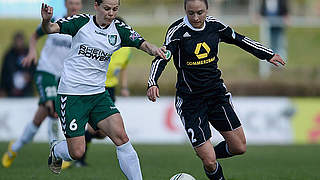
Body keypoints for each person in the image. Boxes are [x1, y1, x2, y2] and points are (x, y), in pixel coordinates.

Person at [147, 0, 285, 179]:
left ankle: (206, 153)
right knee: (210, 162)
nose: (196, 17)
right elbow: (161, 57)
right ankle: (208, 158)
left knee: (239, 147)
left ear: (207, 9)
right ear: (185, 11)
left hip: (216, 95)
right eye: (191, 13)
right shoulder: (177, 31)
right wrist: (152, 82)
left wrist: (268, 54)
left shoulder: (215, 26)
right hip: (191, 101)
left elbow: (241, 40)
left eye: (200, 12)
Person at [41, 0, 165, 179]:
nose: (111, 13)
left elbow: (143, 44)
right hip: (72, 94)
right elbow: (50, 29)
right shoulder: (81, 22)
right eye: (107, 8)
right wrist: (46, 21)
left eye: (115, 9)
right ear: (96, 6)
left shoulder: (119, 30)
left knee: (121, 138)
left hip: (98, 95)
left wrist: (155, 50)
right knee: (77, 152)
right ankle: (56, 149)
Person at [1, 0, 82, 168]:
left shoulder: (82, 28)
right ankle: (56, 150)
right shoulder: (56, 21)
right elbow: (35, 35)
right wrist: (32, 51)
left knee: (39, 118)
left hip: (63, 77)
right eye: (72, 3)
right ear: (66, 4)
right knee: (53, 109)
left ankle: (14, 147)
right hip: (45, 71)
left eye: (78, 3)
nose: (74, 7)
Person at [75, 44, 132, 167]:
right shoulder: (103, 42)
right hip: (96, 87)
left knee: (101, 133)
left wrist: (124, 86)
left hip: (110, 89)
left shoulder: (127, 50)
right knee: (93, 128)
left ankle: (75, 151)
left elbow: (124, 68)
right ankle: (77, 157)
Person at [0, 32, 35, 97]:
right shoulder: (9, 55)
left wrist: (29, 75)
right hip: (10, 90)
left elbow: (34, 69)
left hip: (27, 91)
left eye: (20, 41)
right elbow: (4, 73)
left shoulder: (29, 54)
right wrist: (2, 89)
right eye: (17, 41)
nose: (19, 43)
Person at [259, 0, 289, 78]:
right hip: (267, 24)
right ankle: (268, 66)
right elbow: (262, 10)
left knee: (279, 43)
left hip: (279, 23)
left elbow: (285, 9)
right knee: (268, 43)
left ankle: (281, 64)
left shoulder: (281, 1)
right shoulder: (264, 1)